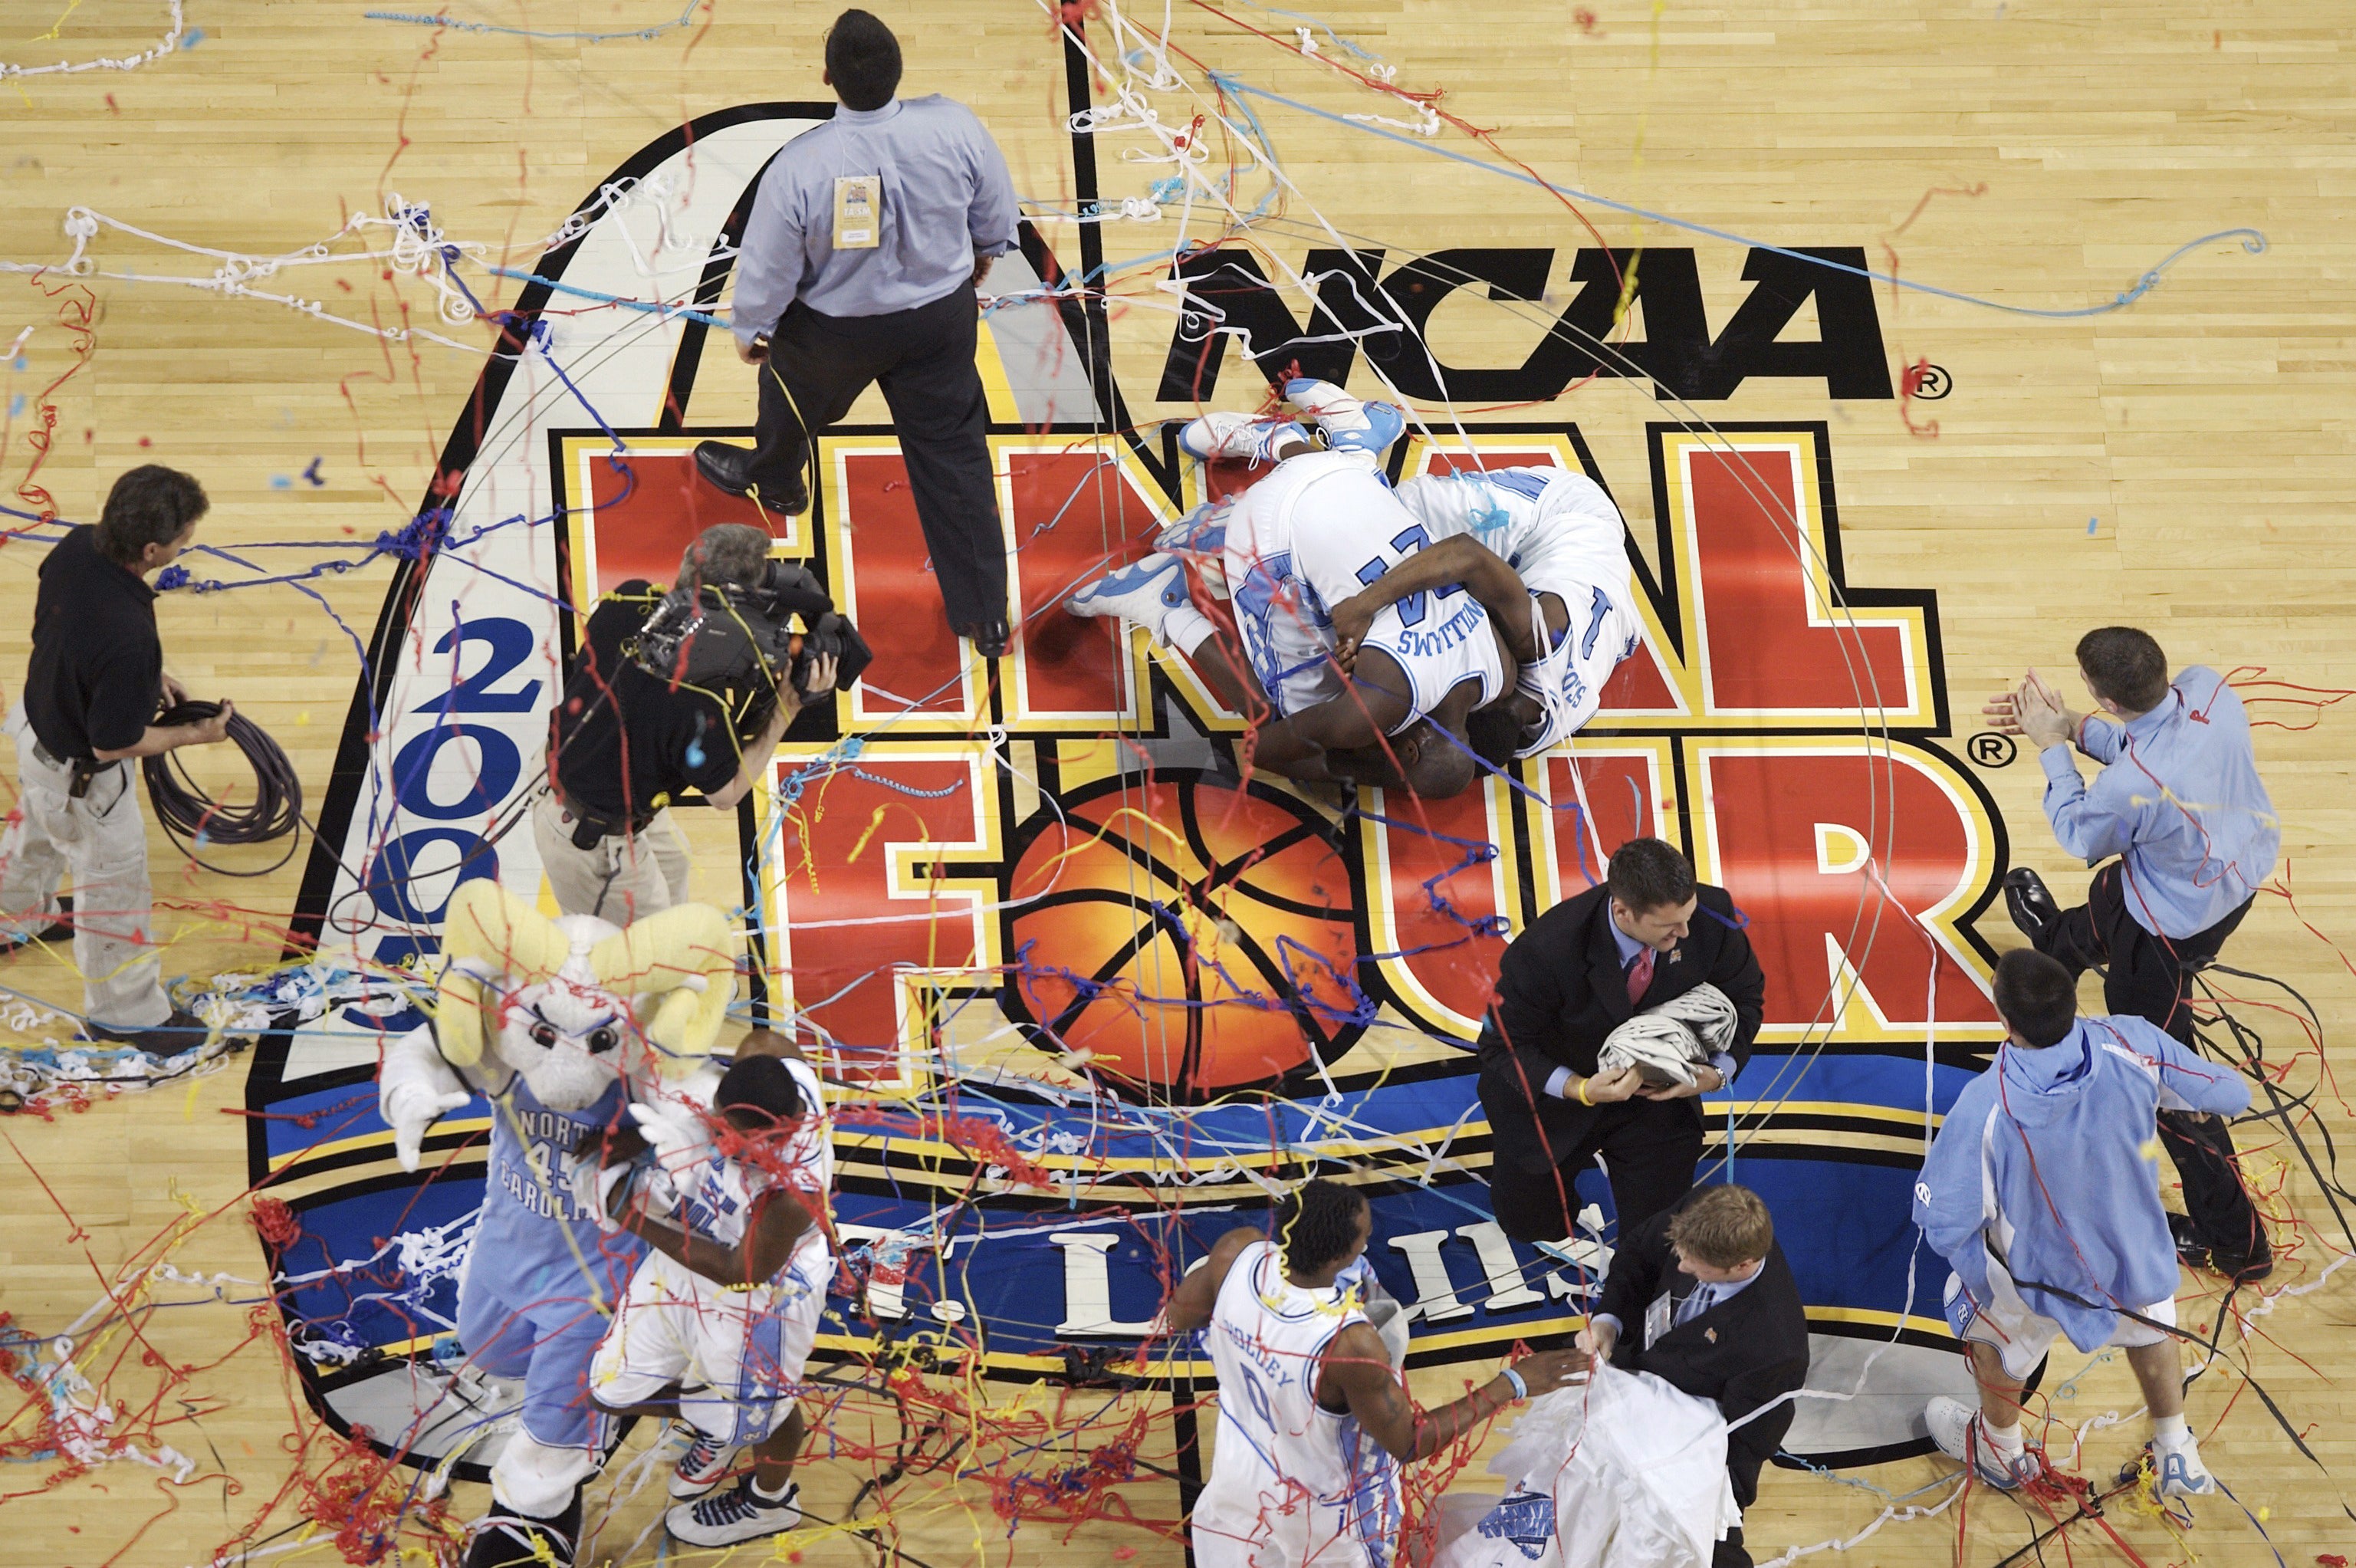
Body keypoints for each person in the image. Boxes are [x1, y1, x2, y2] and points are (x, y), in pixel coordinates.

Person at [695, 8, 1020, 657]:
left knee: (786, 402)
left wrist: (751, 328)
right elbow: (996, 206)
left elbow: (768, 264)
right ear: (901, 69)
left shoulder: (799, 165)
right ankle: (985, 616)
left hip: (833, 331)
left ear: (826, 78)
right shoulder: (954, 123)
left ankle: (779, 478)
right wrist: (985, 247)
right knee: (956, 460)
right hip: (938, 321)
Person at [1985, 628, 2279, 1281]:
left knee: (2163, 1078)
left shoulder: (2127, 787)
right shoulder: (2209, 688)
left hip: (2167, 930)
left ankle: (2236, 1240)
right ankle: (2059, 944)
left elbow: (2080, 831)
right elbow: (2149, 748)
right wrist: (2068, 724)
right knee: (2112, 894)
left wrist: (2052, 748)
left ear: (2103, 694)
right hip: (2228, 880)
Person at [1066, 382, 1522, 797]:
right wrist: (1375, 771)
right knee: (1285, 711)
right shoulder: (1367, 713)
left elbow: (1463, 555)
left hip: (1356, 489)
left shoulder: (1501, 669)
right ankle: (1168, 599)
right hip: (1273, 522)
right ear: (1411, 753)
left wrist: (1365, 617)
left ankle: (1338, 445)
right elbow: (1258, 749)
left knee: (1360, 570)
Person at [1913, 949, 2246, 1500]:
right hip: (2132, 1253)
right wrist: (2187, 1103)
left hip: (2037, 1277)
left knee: (1990, 1327)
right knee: (2151, 1322)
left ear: (2004, 1021)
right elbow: (2229, 1093)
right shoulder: (2132, 1042)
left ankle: (1999, 1450)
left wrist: (1981, 1282)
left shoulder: (1983, 1106)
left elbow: (1945, 1222)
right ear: (2074, 999)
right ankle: (2174, 1449)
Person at [1163, 1178, 1588, 1568]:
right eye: (1365, 1236)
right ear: (1342, 1254)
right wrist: (1513, 1382)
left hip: (1237, 1492)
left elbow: (1180, 1316)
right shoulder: (1349, 1342)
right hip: (1323, 1526)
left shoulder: (1236, 1253)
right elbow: (1410, 1442)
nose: (1369, 1240)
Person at [0, 465, 234, 1048]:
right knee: (114, 885)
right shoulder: (128, 634)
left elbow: (67, 633)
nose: (187, 547)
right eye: (183, 539)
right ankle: (125, 1012)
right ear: (153, 549)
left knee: (35, 830)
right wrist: (194, 736)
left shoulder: (79, 544)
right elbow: (114, 743)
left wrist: (139, 679)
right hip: (83, 776)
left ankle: (11, 917)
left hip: (35, 731)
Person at [586, 1033, 833, 1547]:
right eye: (718, 1124)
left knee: (770, 1412)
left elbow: (740, 1271)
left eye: (732, 1136)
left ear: (780, 1130)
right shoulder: (777, 1067)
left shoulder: (794, 1190)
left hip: (764, 1288)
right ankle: (719, 1425)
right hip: (697, 1246)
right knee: (611, 1390)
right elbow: (761, 1038)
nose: (719, 1140)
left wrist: (630, 1213)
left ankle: (770, 1502)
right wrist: (651, 1136)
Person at [537, 524, 836, 922]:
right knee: (645, 953)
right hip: (590, 840)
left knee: (674, 867)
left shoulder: (627, 599)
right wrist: (786, 708)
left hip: (588, 777)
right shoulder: (699, 705)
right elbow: (726, 795)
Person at [1479, 837, 1766, 1244]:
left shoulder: (1709, 915)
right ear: (1623, 911)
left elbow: (1747, 998)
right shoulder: (1546, 951)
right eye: (1668, 926)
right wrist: (1580, 1088)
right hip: (1557, 1096)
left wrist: (1716, 1072)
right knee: (1532, 1225)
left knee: (1657, 1240)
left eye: (1688, 916)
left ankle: (1633, 1295)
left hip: (1655, 1098)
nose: (1685, 933)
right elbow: (1501, 1047)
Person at [1576, 1184, 1809, 1568]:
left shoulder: (1776, 1348)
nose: (1681, 1266)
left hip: (1694, 1448)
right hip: (1635, 1386)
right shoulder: (1703, 1213)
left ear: (1743, 1265)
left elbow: (1751, 1442)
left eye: (1696, 1264)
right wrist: (1608, 1320)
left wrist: (1664, 1452)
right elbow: (1638, 1252)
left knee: (1703, 1550)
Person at [1342, 461, 1641, 758]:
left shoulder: (1528, 737)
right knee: (1391, 512)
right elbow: (1466, 554)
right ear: (1492, 703)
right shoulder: (1536, 638)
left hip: (1597, 583)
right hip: (1561, 510)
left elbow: (1471, 760)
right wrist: (1363, 606)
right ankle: (1356, 439)